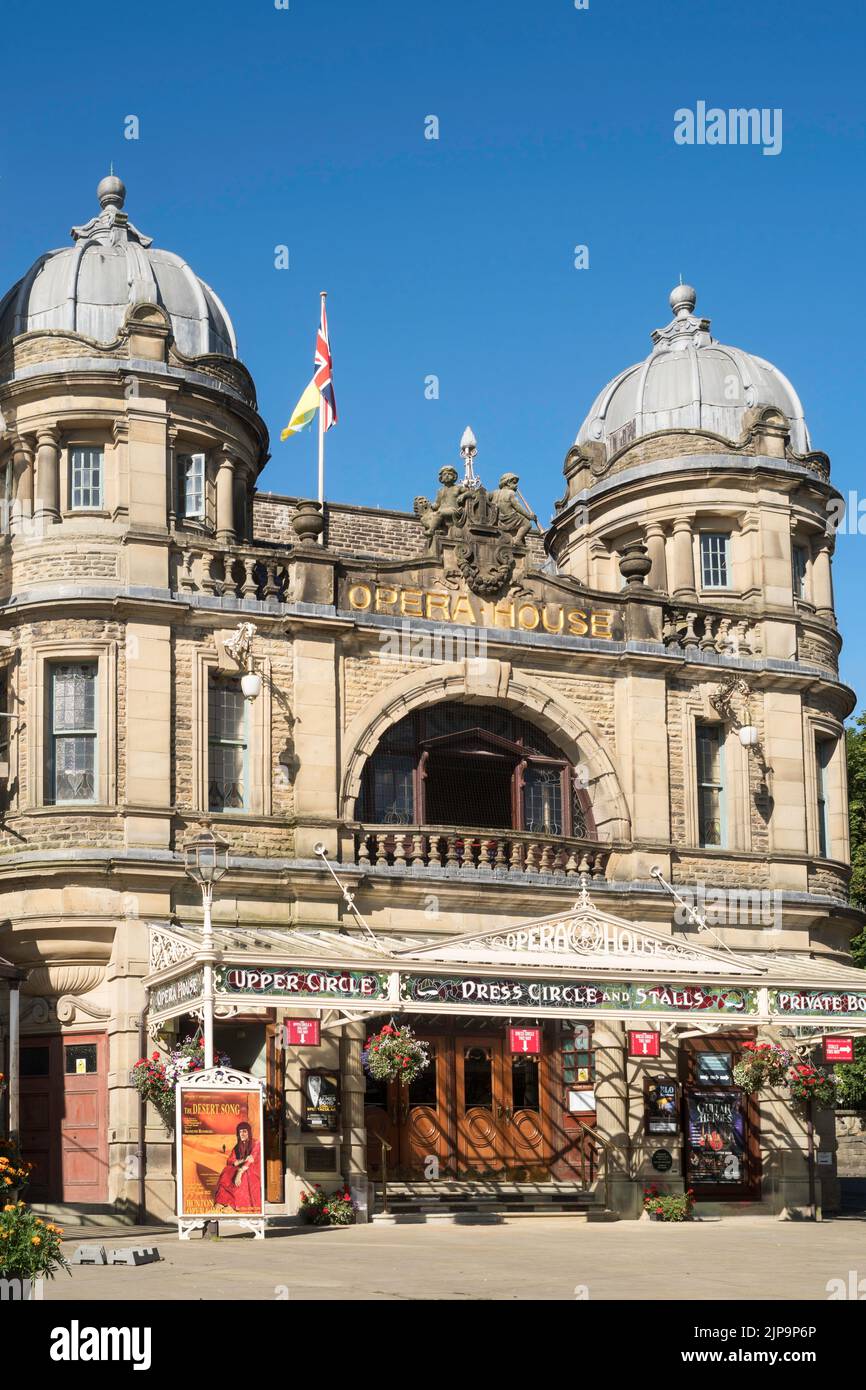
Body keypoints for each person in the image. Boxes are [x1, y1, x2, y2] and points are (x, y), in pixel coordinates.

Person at [213, 1121, 261, 1211]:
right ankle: (222, 1201)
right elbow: (231, 1161)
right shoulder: (237, 1146)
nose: (242, 1134)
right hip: (243, 1167)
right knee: (227, 1171)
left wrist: (240, 1171)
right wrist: (243, 1160)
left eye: (244, 1131)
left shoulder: (256, 1143)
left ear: (249, 1132)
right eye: (240, 1132)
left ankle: (234, 1205)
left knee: (244, 1174)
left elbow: (251, 1160)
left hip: (254, 1170)